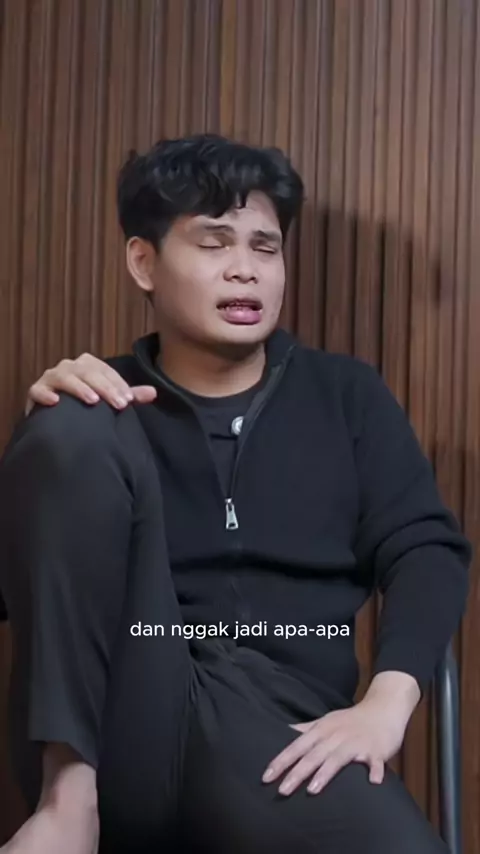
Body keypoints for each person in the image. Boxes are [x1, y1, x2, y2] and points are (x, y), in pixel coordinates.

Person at [0, 134, 471, 854]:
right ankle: (68, 802)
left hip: (281, 732)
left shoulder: (346, 397)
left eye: (265, 247)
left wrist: (386, 701)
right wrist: (44, 450)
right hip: (126, 713)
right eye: (214, 243)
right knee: (74, 419)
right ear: (143, 262)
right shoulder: (103, 410)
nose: (245, 269)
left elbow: (426, 550)